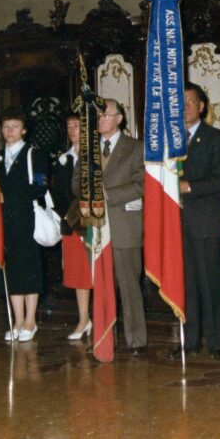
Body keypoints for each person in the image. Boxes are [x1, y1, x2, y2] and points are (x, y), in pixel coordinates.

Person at [73, 99, 147, 355]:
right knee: (102, 287)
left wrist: (107, 194)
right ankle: (106, 338)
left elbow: (142, 184)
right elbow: (75, 182)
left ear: (119, 119)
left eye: (105, 115)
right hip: (95, 228)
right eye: (97, 115)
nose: (100, 119)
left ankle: (136, 340)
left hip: (124, 227)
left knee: (129, 286)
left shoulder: (136, 148)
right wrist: (88, 191)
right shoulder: (88, 149)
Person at [170, 82, 220, 361]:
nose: (185, 107)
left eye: (190, 102)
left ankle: (217, 343)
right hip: (176, 224)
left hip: (205, 223)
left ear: (202, 106)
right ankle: (189, 340)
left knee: (210, 284)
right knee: (184, 285)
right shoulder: (169, 142)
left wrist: (189, 187)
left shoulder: (217, 139)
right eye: (180, 102)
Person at [0, 108, 48, 343]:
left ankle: (30, 320)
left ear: (24, 130)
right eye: (6, 127)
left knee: (29, 269)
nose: (10, 131)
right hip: (5, 223)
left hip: (27, 220)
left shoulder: (33, 154)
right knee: (12, 271)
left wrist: (9, 195)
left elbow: (39, 187)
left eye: (15, 127)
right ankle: (17, 320)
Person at [53, 113, 92, 340]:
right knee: (79, 274)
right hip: (72, 222)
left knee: (98, 273)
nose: (72, 130)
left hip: (96, 222)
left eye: (77, 125)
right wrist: (69, 216)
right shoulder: (63, 160)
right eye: (69, 126)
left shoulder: (98, 156)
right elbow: (58, 194)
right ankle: (84, 319)